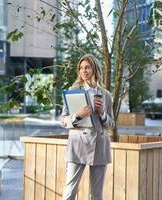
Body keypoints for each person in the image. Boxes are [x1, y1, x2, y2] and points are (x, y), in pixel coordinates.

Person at [59, 54, 115, 200]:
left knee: (96, 195)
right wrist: (78, 115)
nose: (84, 71)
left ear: (94, 69)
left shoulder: (106, 95)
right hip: (78, 146)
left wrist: (102, 113)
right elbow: (63, 120)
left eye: (87, 67)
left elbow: (111, 124)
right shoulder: (73, 91)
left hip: (100, 146)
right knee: (70, 191)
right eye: (81, 68)